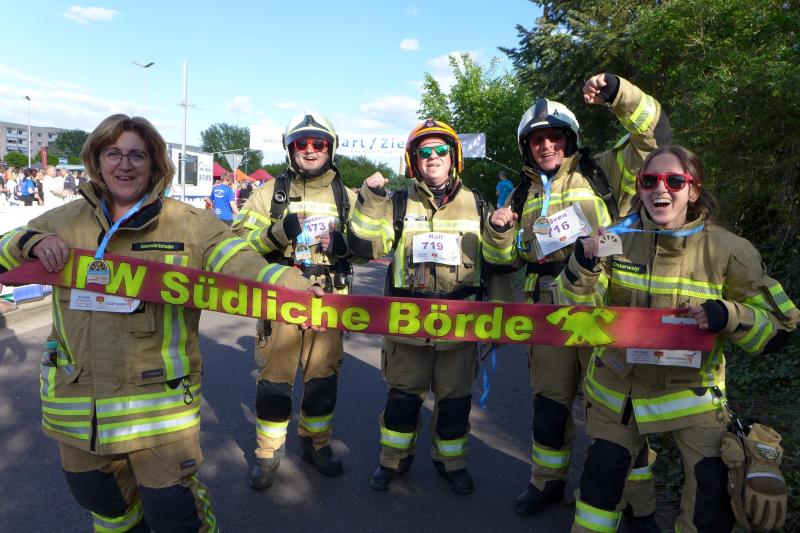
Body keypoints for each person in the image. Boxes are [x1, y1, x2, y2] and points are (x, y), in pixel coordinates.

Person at [0, 114, 320, 532]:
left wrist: (297, 289)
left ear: (154, 165)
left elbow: (244, 265)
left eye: (137, 155)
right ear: (96, 160)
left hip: (158, 408)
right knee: (107, 507)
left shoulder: (191, 224)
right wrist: (30, 242)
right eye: (113, 153)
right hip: (79, 406)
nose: (124, 164)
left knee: (174, 514)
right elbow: (4, 251)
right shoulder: (61, 221)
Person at [561, 145, 798, 533]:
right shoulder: (613, 239)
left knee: (711, 503)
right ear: (639, 187)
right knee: (598, 491)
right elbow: (575, 316)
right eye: (649, 180)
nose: (660, 189)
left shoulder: (731, 251)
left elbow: (780, 329)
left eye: (674, 181)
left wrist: (728, 315)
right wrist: (583, 266)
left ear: (694, 189)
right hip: (618, 391)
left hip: (692, 396)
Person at [484, 72, 671, 526]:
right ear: (527, 147)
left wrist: (618, 93)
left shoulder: (603, 170)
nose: (546, 145)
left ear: (569, 139)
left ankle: (639, 503)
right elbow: (507, 261)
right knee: (550, 406)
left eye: (554, 137)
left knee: (617, 411)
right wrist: (500, 230)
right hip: (547, 312)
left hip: (601, 307)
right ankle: (547, 483)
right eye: (537, 140)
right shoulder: (524, 192)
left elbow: (655, 138)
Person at [348, 118, 504, 495]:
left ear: (454, 157)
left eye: (440, 151)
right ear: (413, 160)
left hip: (460, 329)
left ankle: (452, 463)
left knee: (454, 404)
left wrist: (501, 317)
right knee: (402, 401)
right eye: (424, 152)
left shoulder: (478, 203)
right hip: (407, 328)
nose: (433, 158)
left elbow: (498, 266)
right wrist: (371, 199)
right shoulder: (398, 203)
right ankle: (393, 461)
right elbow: (365, 249)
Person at [233, 110, 357, 490]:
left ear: (330, 148)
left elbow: (372, 245)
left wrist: (343, 245)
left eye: (318, 143)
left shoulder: (347, 197)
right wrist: (279, 230)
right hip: (280, 301)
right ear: (290, 149)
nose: (310, 149)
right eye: (301, 143)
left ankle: (316, 445)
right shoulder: (267, 194)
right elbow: (238, 246)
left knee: (322, 383)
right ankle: (267, 455)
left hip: (329, 303)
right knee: (275, 383)